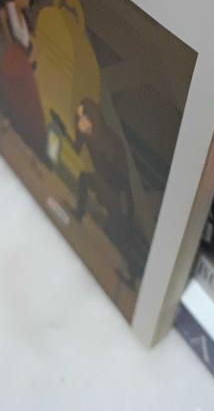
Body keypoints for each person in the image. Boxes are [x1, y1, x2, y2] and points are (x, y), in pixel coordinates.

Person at [69, 98, 146, 287]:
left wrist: (110, 194)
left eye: (85, 117)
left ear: (93, 117)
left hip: (119, 193)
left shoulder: (109, 139)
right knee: (85, 179)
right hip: (108, 187)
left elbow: (119, 176)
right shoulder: (88, 136)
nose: (81, 122)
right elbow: (76, 148)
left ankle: (135, 274)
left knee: (119, 234)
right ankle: (79, 213)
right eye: (79, 118)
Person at [0, 0, 47, 163]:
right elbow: (8, 42)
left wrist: (31, 58)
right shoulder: (7, 11)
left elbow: (27, 46)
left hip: (22, 66)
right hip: (12, 62)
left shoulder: (24, 21)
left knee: (30, 108)